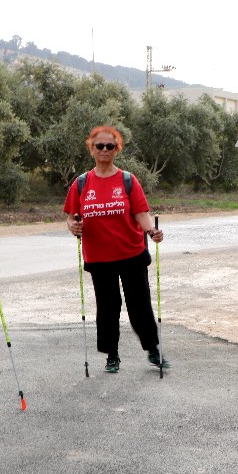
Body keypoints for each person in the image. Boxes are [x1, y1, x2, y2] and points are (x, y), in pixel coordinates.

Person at [64, 125, 167, 374]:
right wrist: (73, 226)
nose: (104, 150)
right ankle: (112, 355)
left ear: (116, 149)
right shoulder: (81, 183)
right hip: (99, 257)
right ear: (92, 148)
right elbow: (70, 217)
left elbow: (141, 214)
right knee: (108, 308)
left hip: (131, 253)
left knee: (140, 305)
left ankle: (153, 349)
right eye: (99, 145)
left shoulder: (128, 180)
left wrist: (152, 231)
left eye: (110, 146)